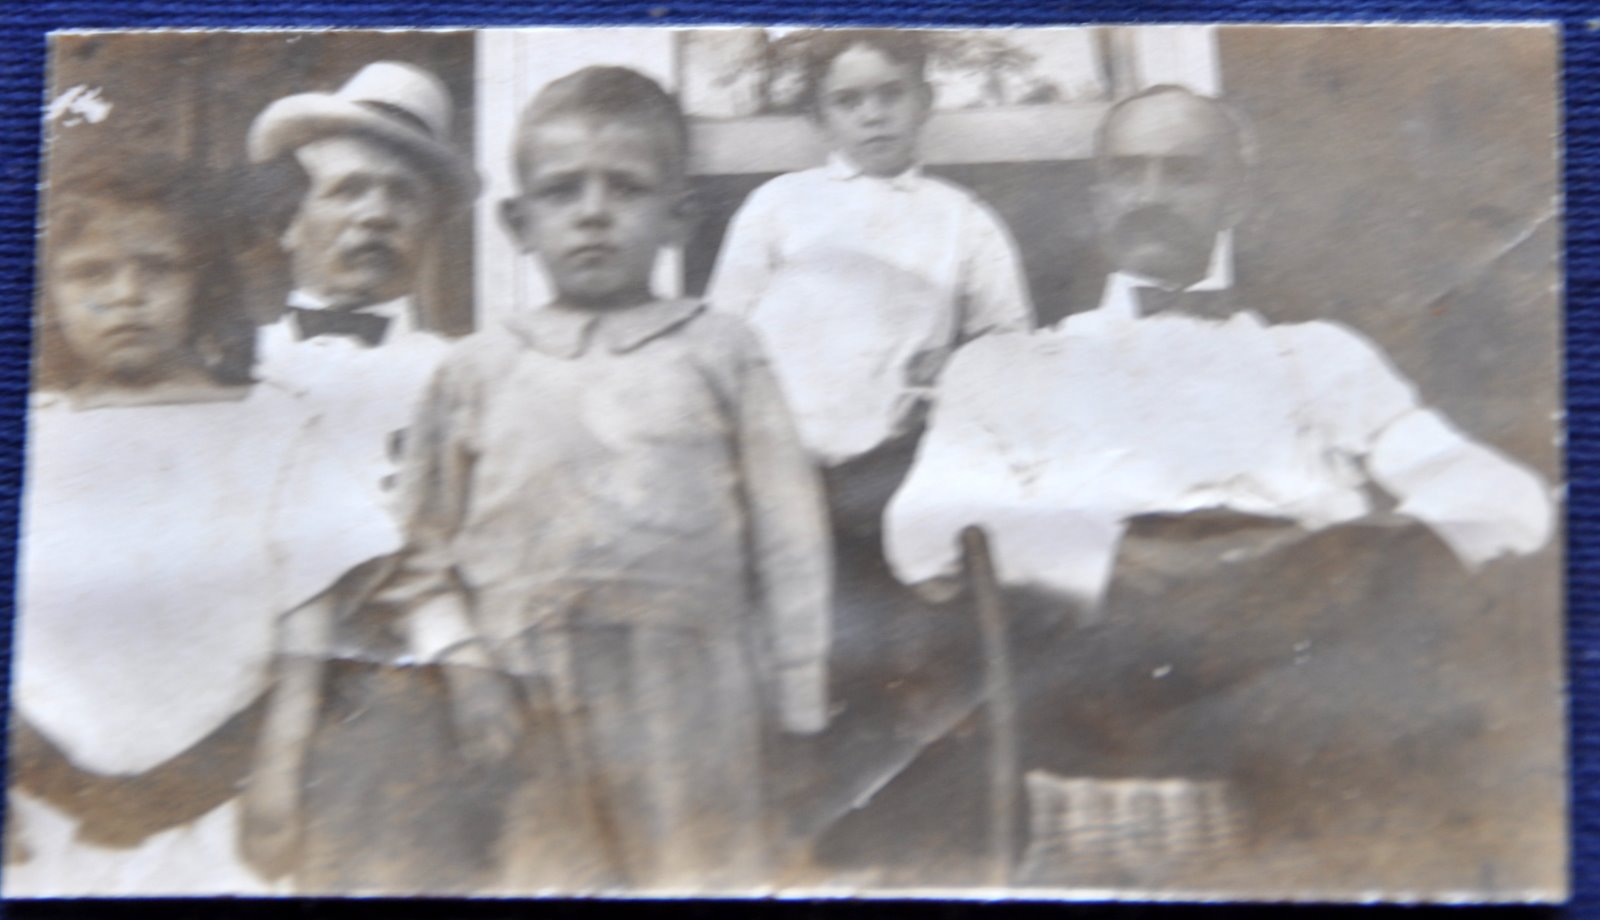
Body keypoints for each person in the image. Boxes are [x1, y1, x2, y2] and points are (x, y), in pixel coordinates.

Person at [884, 85, 1556, 885]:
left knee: (1380, 600)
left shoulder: (1320, 358)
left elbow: (1499, 499)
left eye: (1184, 173)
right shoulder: (1012, 367)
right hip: (1123, 662)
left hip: (1311, 648)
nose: (1151, 194)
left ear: (1237, 198)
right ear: (1098, 200)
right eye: (1129, 172)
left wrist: (1389, 551)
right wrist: (1119, 557)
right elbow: (924, 530)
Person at [262, 65, 834, 892]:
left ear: (679, 216)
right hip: (521, 695)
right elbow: (419, 551)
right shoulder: (474, 370)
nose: (594, 212)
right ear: (517, 222)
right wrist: (467, 662)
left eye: (626, 188)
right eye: (563, 190)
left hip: (694, 700)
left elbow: (791, 541)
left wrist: (800, 707)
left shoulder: (723, 352)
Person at [705, 30, 1035, 866]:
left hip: (900, 467)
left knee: (903, 658)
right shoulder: (781, 207)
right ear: (822, 118)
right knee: (796, 655)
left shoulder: (962, 221)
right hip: (786, 467)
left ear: (923, 100)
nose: (873, 115)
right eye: (849, 102)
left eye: (890, 95)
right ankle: (794, 832)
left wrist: (957, 368)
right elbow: (722, 340)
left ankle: (898, 832)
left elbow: (1010, 350)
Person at [6, 154, 305, 896]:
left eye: (157, 269)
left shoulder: (274, 427)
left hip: (219, 795)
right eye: (90, 273)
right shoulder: (31, 431)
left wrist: (279, 780)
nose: (126, 295)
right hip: (41, 798)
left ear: (203, 283)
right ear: (49, 292)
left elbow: (308, 636)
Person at [234, 60, 494, 894]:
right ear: (290, 221)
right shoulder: (228, 372)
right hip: (231, 688)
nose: (375, 214)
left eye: (402, 196)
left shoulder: (462, 376)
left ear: (431, 229)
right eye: (348, 190)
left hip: (388, 700)